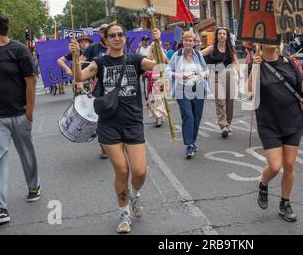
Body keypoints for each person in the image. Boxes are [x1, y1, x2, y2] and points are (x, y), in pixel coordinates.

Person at [69, 23, 157, 234]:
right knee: (122, 170)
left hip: (133, 121)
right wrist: (75, 56)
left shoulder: (135, 60)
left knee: (139, 171)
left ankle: (134, 194)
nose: (117, 38)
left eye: (120, 35)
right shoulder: (99, 62)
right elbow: (79, 77)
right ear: (105, 40)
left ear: (125, 38)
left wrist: (158, 42)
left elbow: (156, 65)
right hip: (109, 123)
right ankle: (124, 213)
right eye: (112, 36)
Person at [0, 14, 40, 228]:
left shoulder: (19, 50)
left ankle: (34, 185)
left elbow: (31, 82)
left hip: (19, 114)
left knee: (27, 153)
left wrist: (29, 113)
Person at [247, 42, 303, 222]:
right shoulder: (256, 62)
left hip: (292, 120)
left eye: (274, 38)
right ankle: (263, 184)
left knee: (290, 165)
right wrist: (255, 66)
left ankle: (285, 203)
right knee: (275, 166)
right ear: (261, 43)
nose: (271, 41)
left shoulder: (289, 61)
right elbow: (249, 90)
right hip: (268, 122)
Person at [165, 31, 210, 159]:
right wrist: (179, 75)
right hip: (182, 88)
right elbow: (168, 71)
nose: (188, 43)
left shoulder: (198, 55)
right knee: (188, 115)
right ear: (182, 41)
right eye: (186, 40)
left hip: (198, 88)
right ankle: (189, 144)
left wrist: (203, 74)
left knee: (196, 117)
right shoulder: (177, 55)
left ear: (194, 42)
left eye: (191, 40)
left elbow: (206, 69)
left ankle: (193, 141)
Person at [201, 27, 243, 138]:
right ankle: (223, 125)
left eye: (224, 33)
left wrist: (240, 72)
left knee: (230, 101)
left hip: (229, 76)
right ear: (217, 36)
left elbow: (235, 61)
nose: (222, 35)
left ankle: (228, 123)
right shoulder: (212, 48)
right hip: (215, 76)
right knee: (220, 101)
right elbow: (199, 54)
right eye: (220, 33)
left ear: (227, 36)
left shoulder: (230, 48)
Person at [80, 24, 109, 159]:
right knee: (101, 117)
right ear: (100, 34)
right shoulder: (93, 48)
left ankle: (115, 142)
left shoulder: (115, 46)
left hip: (114, 88)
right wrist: (79, 79)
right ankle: (103, 145)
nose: (104, 34)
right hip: (97, 87)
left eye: (106, 32)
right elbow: (81, 62)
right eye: (102, 32)